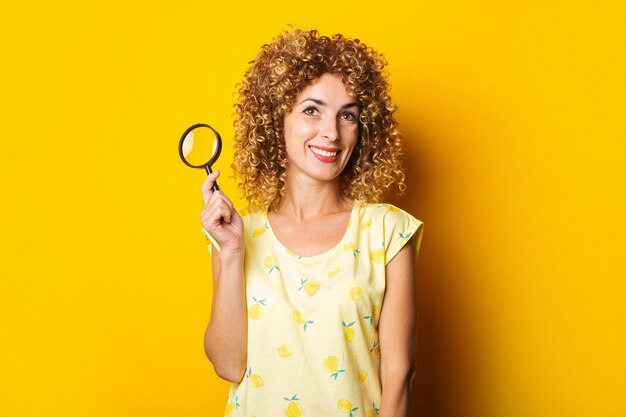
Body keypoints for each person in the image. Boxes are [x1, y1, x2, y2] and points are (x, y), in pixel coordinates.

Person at [199, 28, 424, 417]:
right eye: (311, 110)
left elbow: (399, 372)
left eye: (347, 116)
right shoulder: (237, 234)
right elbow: (228, 365)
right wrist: (232, 251)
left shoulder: (387, 232)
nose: (331, 132)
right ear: (276, 119)